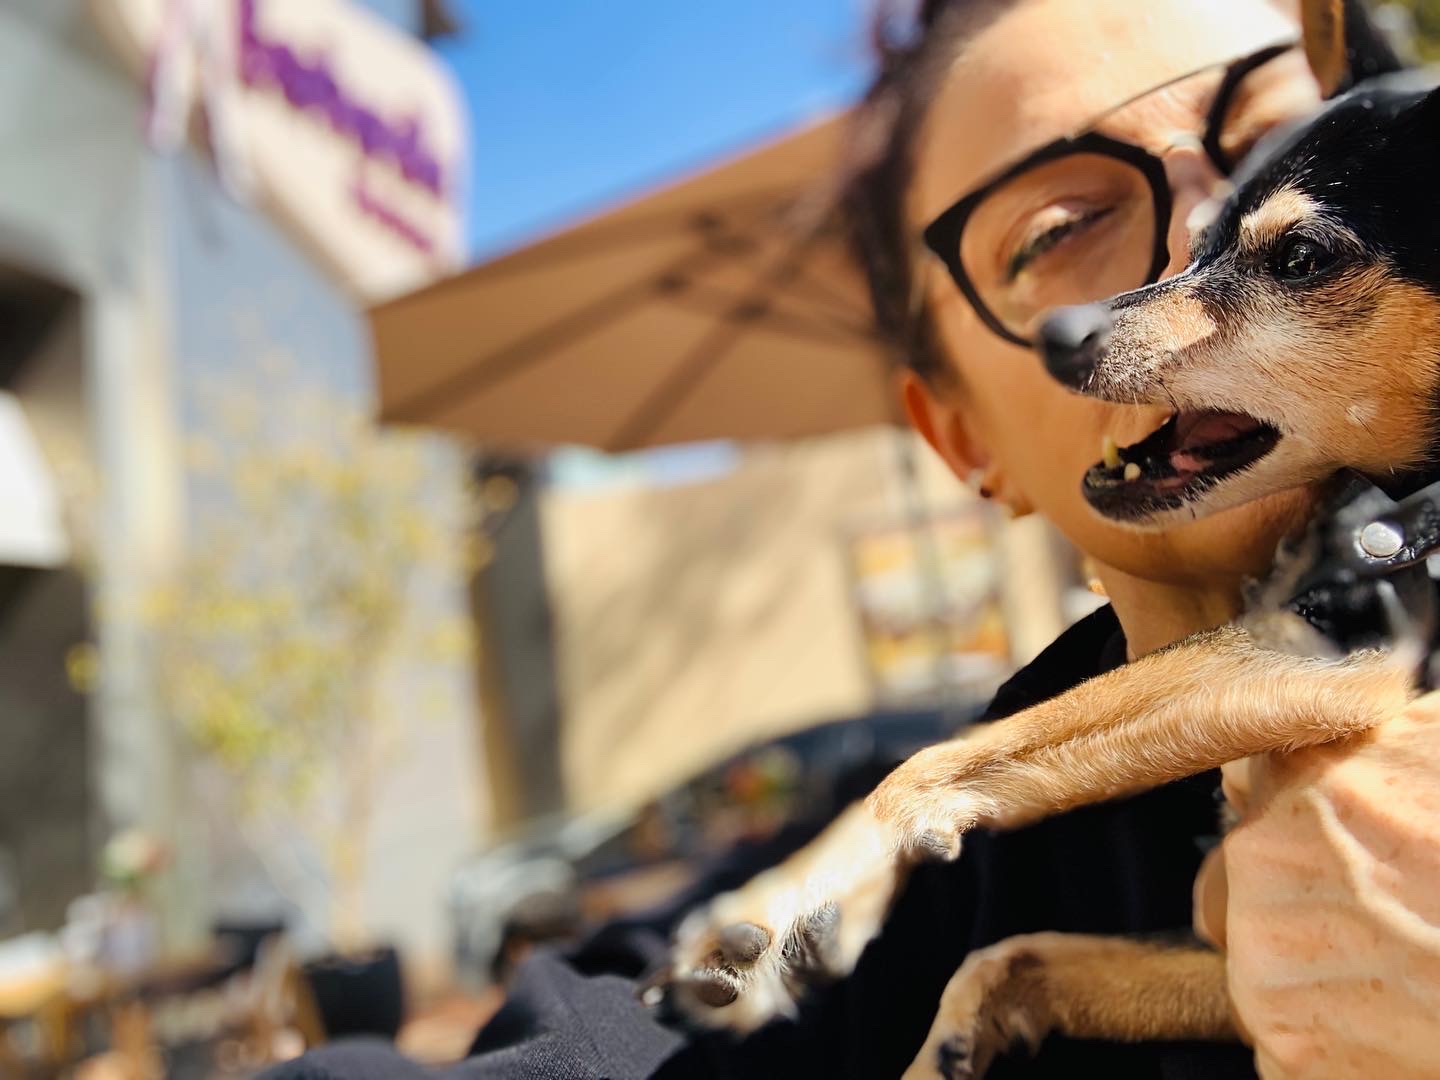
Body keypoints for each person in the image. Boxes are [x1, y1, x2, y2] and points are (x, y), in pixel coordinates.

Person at [269, 1, 1440, 1077]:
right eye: (1065, 226)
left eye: (1285, 139)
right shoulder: (914, 919)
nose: (1200, 225)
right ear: (961, 439)